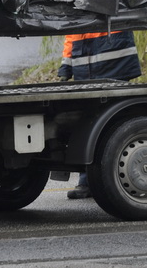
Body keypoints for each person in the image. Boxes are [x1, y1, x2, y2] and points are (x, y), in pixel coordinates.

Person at [58, 31, 141, 199]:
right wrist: (65, 67)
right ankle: (87, 182)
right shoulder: (74, 7)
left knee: (112, 129)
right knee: (88, 129)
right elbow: (72, 35)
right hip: (87, 69)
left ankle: (112, 181)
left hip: (114, 66)